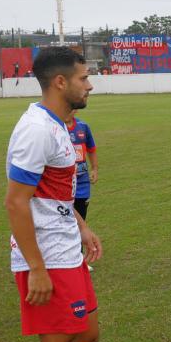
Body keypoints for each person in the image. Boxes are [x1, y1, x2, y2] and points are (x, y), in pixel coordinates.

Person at [4, 47, 102, 342]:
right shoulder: (37, 130)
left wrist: (81, 226)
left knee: (88, 335)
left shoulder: (60, 125)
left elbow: (51, 196)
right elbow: (15, 202)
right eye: (84, 78)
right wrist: (37, 268)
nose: (89, 85)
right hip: (47, 257)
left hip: (66, 250)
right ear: (61, 82)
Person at [68, 112, 98, 272]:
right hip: (64, 184)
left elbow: (91, 149)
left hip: (82, 184)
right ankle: (70, 259)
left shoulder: (83, 127)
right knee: (65, 221)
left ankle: (77, 259)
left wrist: (94, 168)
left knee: (80, 221)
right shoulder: (55, 128)